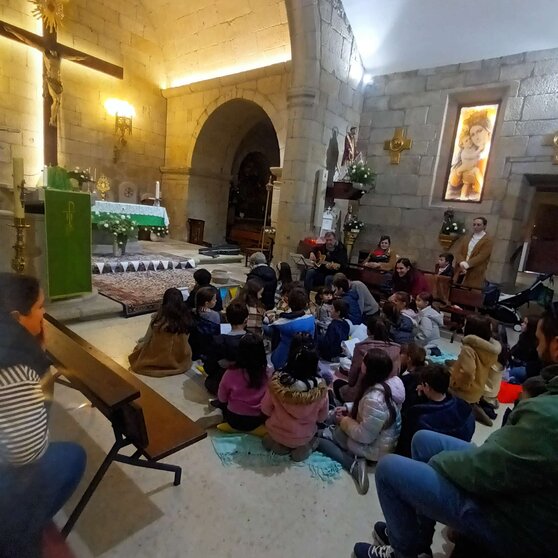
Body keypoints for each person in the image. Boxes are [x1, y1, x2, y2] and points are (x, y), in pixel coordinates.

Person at [352, 305, 558, 558]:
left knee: (388, 469)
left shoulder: (548, 414)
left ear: (556, 346)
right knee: (423, 440)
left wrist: (441, 464)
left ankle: (402, 552)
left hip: (515, 518)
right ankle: (418, 539)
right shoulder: (547, 398)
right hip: (514, 484)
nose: (535, 348)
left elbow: (487, 470)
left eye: (539, 340)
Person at [0, 273, 86, 557]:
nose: (44, 312)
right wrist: (39, 359)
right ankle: (18, 529)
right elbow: (26, 452)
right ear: (16, 316)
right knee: (73, 457)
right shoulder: (15, 361)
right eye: (39, 307)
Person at [318, 348, 405, 495]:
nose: (361, 363)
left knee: (322, 439)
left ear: (369, 368)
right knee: (334, 421)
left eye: (364, 361)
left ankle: (353, 465)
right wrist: (348, 408)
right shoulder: (385, 386)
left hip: (376, 449)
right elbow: (371, 411)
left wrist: (344, 421)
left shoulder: (374, 398)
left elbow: (365, 436)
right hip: (379, 440)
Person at [261, 345, 328, 462]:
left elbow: (265, 409)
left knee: (267, 441)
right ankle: (302, 448)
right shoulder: (321, 389)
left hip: (276, 432)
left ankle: (280, 445)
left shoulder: (277, 385)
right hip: (304, 435)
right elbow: (322, 418)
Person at [396, 364, 475, 457]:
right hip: (456, 456)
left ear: (427, 387)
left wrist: (415, 399)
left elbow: (407, 447)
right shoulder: (464, 408)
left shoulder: (419, 418)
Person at [449, 314, 501, 426]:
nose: (463, 327)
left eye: (465, 325)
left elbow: (468, 372)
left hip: (464, 392)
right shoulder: (490, 350)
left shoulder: (468, 348)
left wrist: (457, 384)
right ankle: (475, 409)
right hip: (478, 389)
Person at [128, 287, 193, 377]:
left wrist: (140, 344)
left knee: (139, 348)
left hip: (157, 356)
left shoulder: (158, 319)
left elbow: (147, 338)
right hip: (179, 357)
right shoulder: (187, 318)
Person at [334, 316, 401, 403]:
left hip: (362, 394)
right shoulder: (396, 349)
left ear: (368, 330)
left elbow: (352, 380)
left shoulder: (362, 348)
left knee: (337, 383)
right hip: (387, 394)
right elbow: (396, 375)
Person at [214, 333, 269, 432]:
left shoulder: (230, 373)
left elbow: (222, 398)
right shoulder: (267, 372)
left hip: (233, 418)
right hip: (257, 420)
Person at [202, 301, 248, 395]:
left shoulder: (218, 340)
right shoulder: (253, 339)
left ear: (226, 318)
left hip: (221, 383)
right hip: (247, 385)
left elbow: (208, 367)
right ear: (246, 319)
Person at [270, 288, 316, 370]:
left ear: (289, 303)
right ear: (305, 303)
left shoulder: (282, 323)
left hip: (283, 358)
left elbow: (273, 323)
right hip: (306, 359)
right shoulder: (311, 319)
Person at [452, 216, 493, 289]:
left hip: (475, 270)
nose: (475, 227)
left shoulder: (488, 240)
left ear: (484, 226)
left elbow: (482, 256)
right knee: (456, 290)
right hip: (461, 269)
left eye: (478, 225)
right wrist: (462, 263)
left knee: (470, 292)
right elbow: (459, 252)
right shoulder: (467, 237)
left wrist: (467, 264)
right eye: (474, 224)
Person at [190, 286, 221, 360]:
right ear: (207, 303)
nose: (216, 301)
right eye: (214, 299)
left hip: (194, 346)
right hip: (208, 346)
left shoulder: (192, 311)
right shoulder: (215, 315)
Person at [507, 316, 541, 383]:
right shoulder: (523, 336)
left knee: (512, 372)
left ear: (531, 327)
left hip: (528, 367)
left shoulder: (534, 343)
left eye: (525, 323)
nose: (522, 324)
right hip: (520, 362)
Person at [399, 343, 427, 411]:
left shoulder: (407, 379)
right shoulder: (425, 371)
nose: (399, 355)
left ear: (409, 359)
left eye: (402, 353)